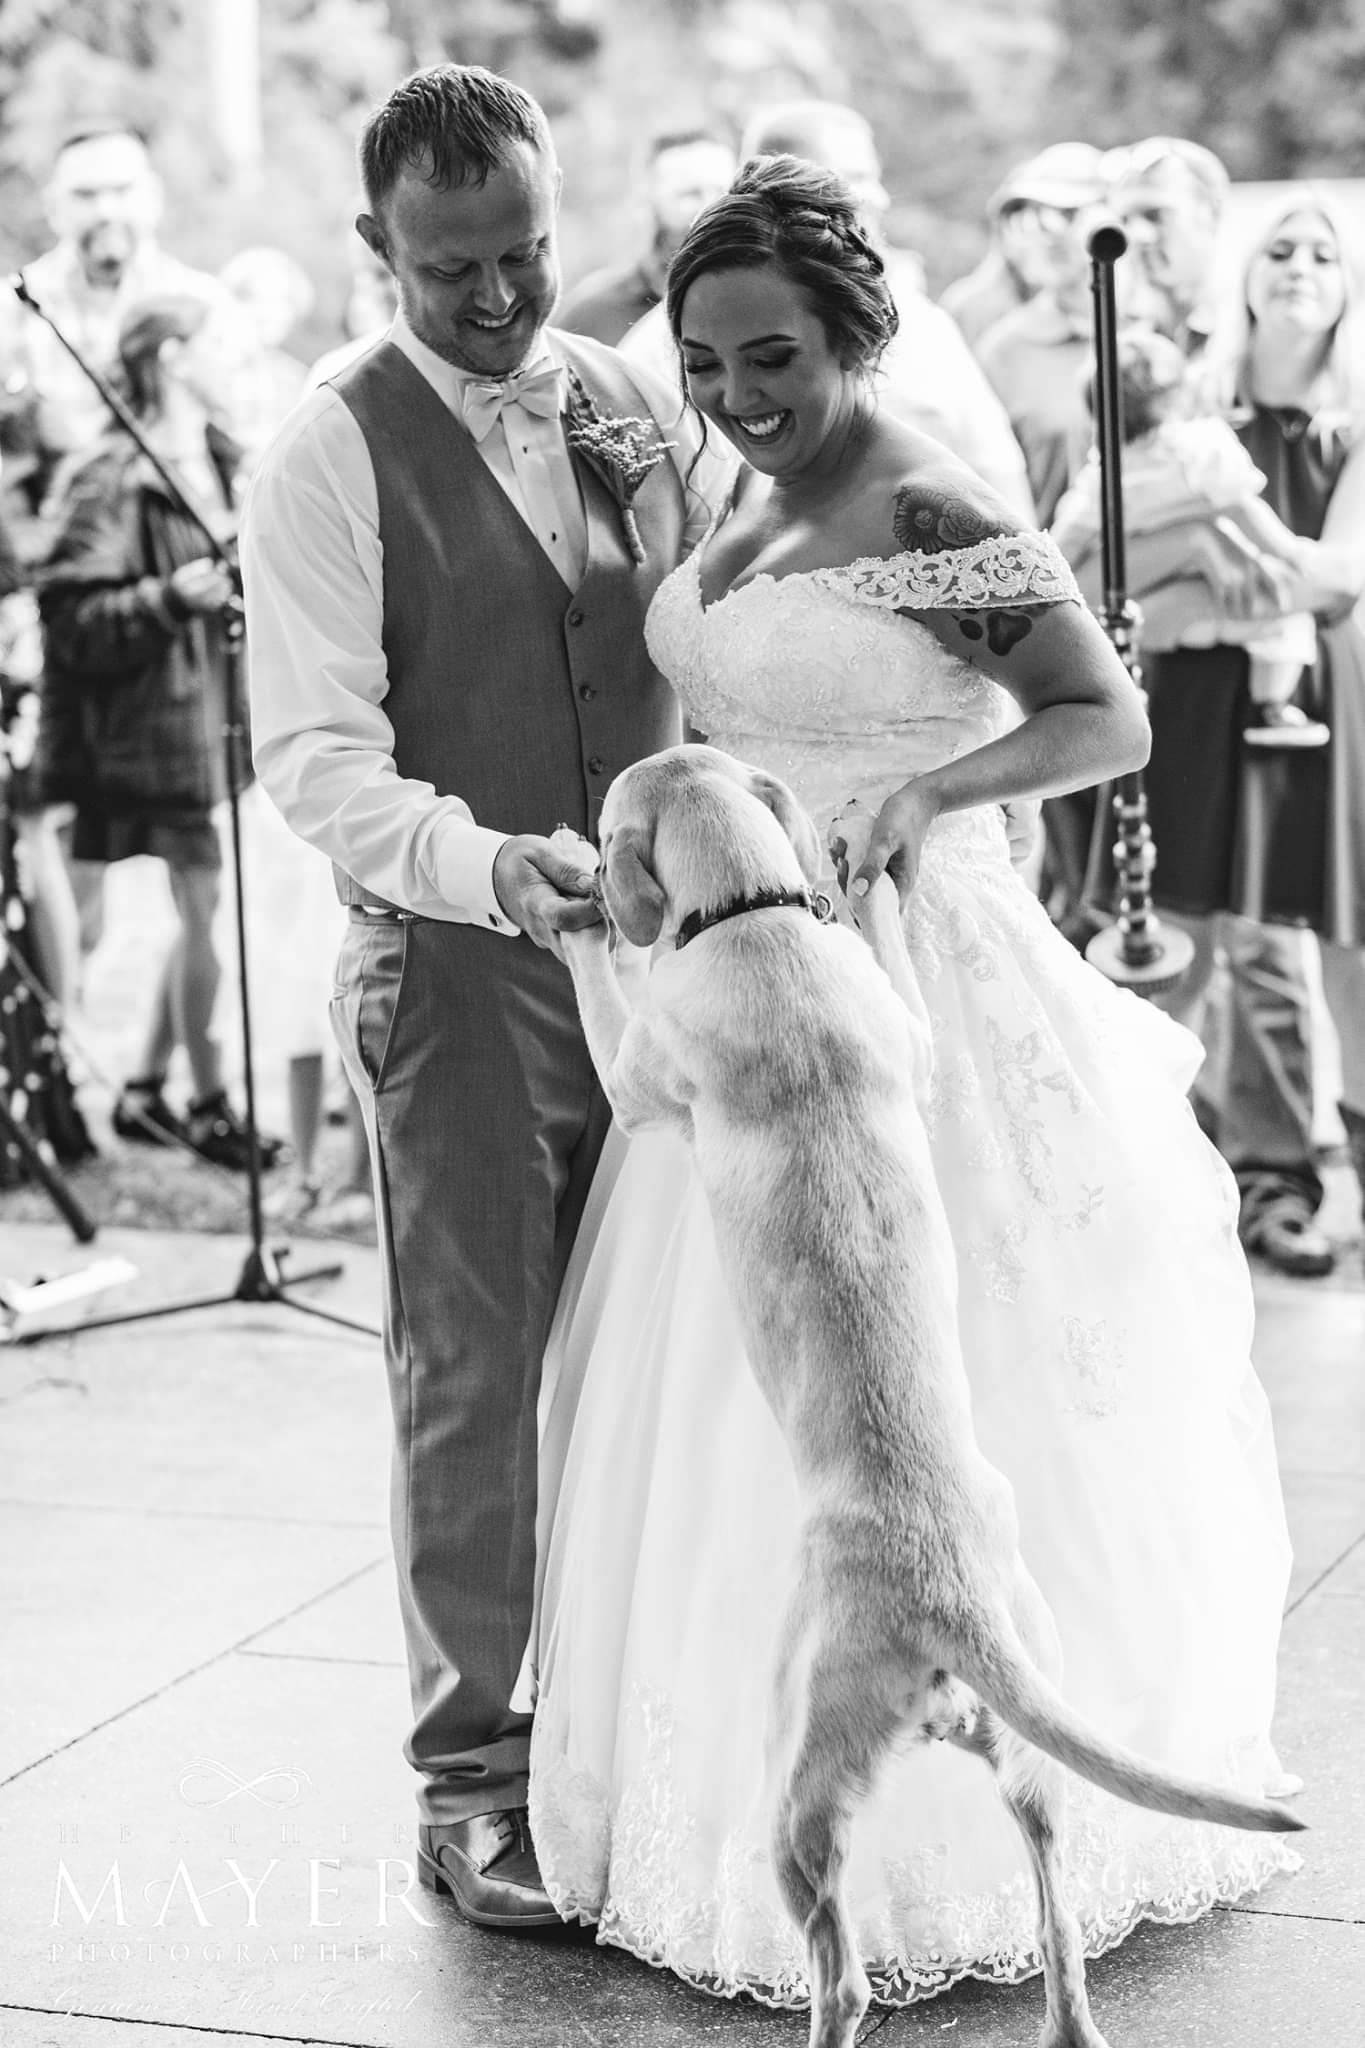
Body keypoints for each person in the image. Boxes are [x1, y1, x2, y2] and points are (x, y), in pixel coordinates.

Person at [521, 156, 1299, 2009]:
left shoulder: (923, 497)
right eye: (705, 362)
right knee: (737, 1393)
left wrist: (932, 793)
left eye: (772, 356)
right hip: (746, 965)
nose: (736, 397)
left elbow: (1096, 705)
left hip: (907, 952)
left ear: (858, 328)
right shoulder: (739, 484)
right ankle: (742, 1804)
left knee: (948, 1384)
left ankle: (993, 1813)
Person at [240, 63, 727, 1928]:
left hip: (657, 956)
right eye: (457, 273)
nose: (506, 297)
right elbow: (314, 756)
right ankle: (472, 1769)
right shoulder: (325, 452)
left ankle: (623, 1720)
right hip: (454, 967)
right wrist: (485, 861)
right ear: (378, 251)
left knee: (650, 1344)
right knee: (475, 1368)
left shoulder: (617, 390)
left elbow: (688, 626)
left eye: (525, 250)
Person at [1103, 194, 1365, 1277]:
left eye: (1325, 253)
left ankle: (1325, 1165)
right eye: (1280, 249)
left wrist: (1198, 568)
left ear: (1349, 288)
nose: (1300, 266)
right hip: (1196, 703)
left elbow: (1342, 576)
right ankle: (1175, 1183)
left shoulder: (1355, 420)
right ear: (1245, 277)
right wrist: (1216, 580)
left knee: (1339, 934)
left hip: (1328, 695)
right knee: (1187, 925)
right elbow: (1115, 585)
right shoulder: (1185, 413)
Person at [37, 293, 274, 1171]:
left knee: (202, 909)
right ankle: (189, 1101)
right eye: (221, 342)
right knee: (91, 921)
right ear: (170, 357)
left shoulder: (221, 458)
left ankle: (146, 1089)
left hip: (209, 722)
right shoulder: (109, 474)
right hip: (132, 736)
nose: (235, 363)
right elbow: (67, 614)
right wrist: (170, 596)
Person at [624, 99, 1034, 519]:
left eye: (771, 359)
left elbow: (999, 474)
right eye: (855, 177)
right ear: (783, 189)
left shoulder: (928, 326)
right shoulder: (659, 344)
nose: (879, 197)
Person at [1052, 325, 1328, 747]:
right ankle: (1273, 706)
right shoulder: (1202, 450)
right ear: (1178, 396)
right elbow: (1246, 508)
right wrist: (1292, 552)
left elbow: (1066, 547)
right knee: (1286, 618)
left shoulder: (1105, 478)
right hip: (1214, 602)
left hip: (1153, 613)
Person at [557, 126, 737, 347]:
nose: (710, 207)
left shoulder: (766, 297)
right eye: (691, 194)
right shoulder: (591, 315)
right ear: (649, 199)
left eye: (722, 192)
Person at [940, 143, 1107, 355]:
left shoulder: (1143, 309)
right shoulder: (975, 308)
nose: (1047, 234)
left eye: (1066, 214)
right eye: (1022, 217)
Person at [1107, 136, 1230, 364]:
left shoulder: (1250, 331)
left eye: (1156, 215)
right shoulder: (1115, 339)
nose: (1136, 235)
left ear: (1211, 214)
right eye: (1124, 220)